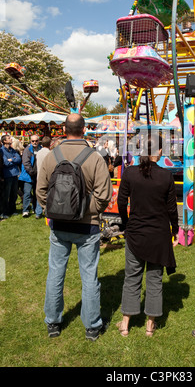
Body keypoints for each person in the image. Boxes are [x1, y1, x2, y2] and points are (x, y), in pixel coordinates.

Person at [36, 113, 113, 341]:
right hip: (87, 227)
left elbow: (41, 191)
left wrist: (55, 210)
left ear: (64, 129)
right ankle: (91, 326)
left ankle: (53, 322)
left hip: (59, 225)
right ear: (84, 129)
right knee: (89, 276)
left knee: (55, 273)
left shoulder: (52, 156)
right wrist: (82, 210)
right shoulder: (95, 158)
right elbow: (103, 195)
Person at [116, 135, 179, 337]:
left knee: (132, 278)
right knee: (154, 279)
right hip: (158, 235)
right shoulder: (166, 176)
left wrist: (126, 224)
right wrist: (175, 230)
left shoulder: (130, 173)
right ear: (159, 152)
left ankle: (125, 324)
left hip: (136, 233)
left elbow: (121, 201)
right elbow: (172, 209)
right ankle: (150, 326)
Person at [19, 134, 43, 218]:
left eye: (36, 141)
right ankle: (25, 210)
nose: (34, 142)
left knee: (37, 193)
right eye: (33, 141)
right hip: (28, 175)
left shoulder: (41, 149)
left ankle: (35, 208)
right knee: (27, 193)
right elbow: (26, 162)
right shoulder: (27, 150)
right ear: (30, 141)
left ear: (39, 141)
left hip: (38, 175)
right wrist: (31, 172)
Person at [1, 134, 22, 218]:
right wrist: (13, 160)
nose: (11, 139)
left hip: (14, 174)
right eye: (9, 138)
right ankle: (4, 212)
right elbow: (5, 163)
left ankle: (12, 210)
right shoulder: (1, 151)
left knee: (14, 194)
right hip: (7, 175)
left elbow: (19, 159)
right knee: (6, 194)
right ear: (5, 141)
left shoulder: (12, 150)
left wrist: (11, 159)